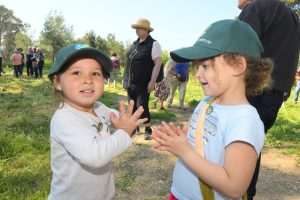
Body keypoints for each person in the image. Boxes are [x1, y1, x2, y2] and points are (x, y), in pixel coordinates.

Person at [151, 19, 273, 200]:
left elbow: (234, 187)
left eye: (206, 66)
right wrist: (180, 141)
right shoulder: (206, 103)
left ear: (238, 66)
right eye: (198, 66)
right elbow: (199, 147)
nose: (198, 74)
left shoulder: (245, 121)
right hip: (177, 194)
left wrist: (184, 151)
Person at [47, 43, 147, 200]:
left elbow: (118, 119)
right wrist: (125, 131)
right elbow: (95, 156)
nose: (88, 80)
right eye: (76, 73)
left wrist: (129, 124)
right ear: (57, 82)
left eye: (95, 74)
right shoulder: (64, 119)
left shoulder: (100, 108)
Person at [238, 0, 300, 198]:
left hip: (252, 90)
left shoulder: (256, 8)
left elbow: (239, 50)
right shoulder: (292, 16)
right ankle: (245, 192)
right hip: (276, 94)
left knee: (237, 143)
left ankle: (239, 192)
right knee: (251, 143)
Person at [123, 18, 162, 140]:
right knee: (132, 106)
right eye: (136, 28)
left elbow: (158, 63)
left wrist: (152, 81)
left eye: (139, 28)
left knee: (142, 107)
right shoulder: (134, 44)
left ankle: (148, 128)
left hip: (144, 83)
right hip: (131, 82)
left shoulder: (153, 44)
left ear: (146, 30)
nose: (137, 30)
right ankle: (134, 128)